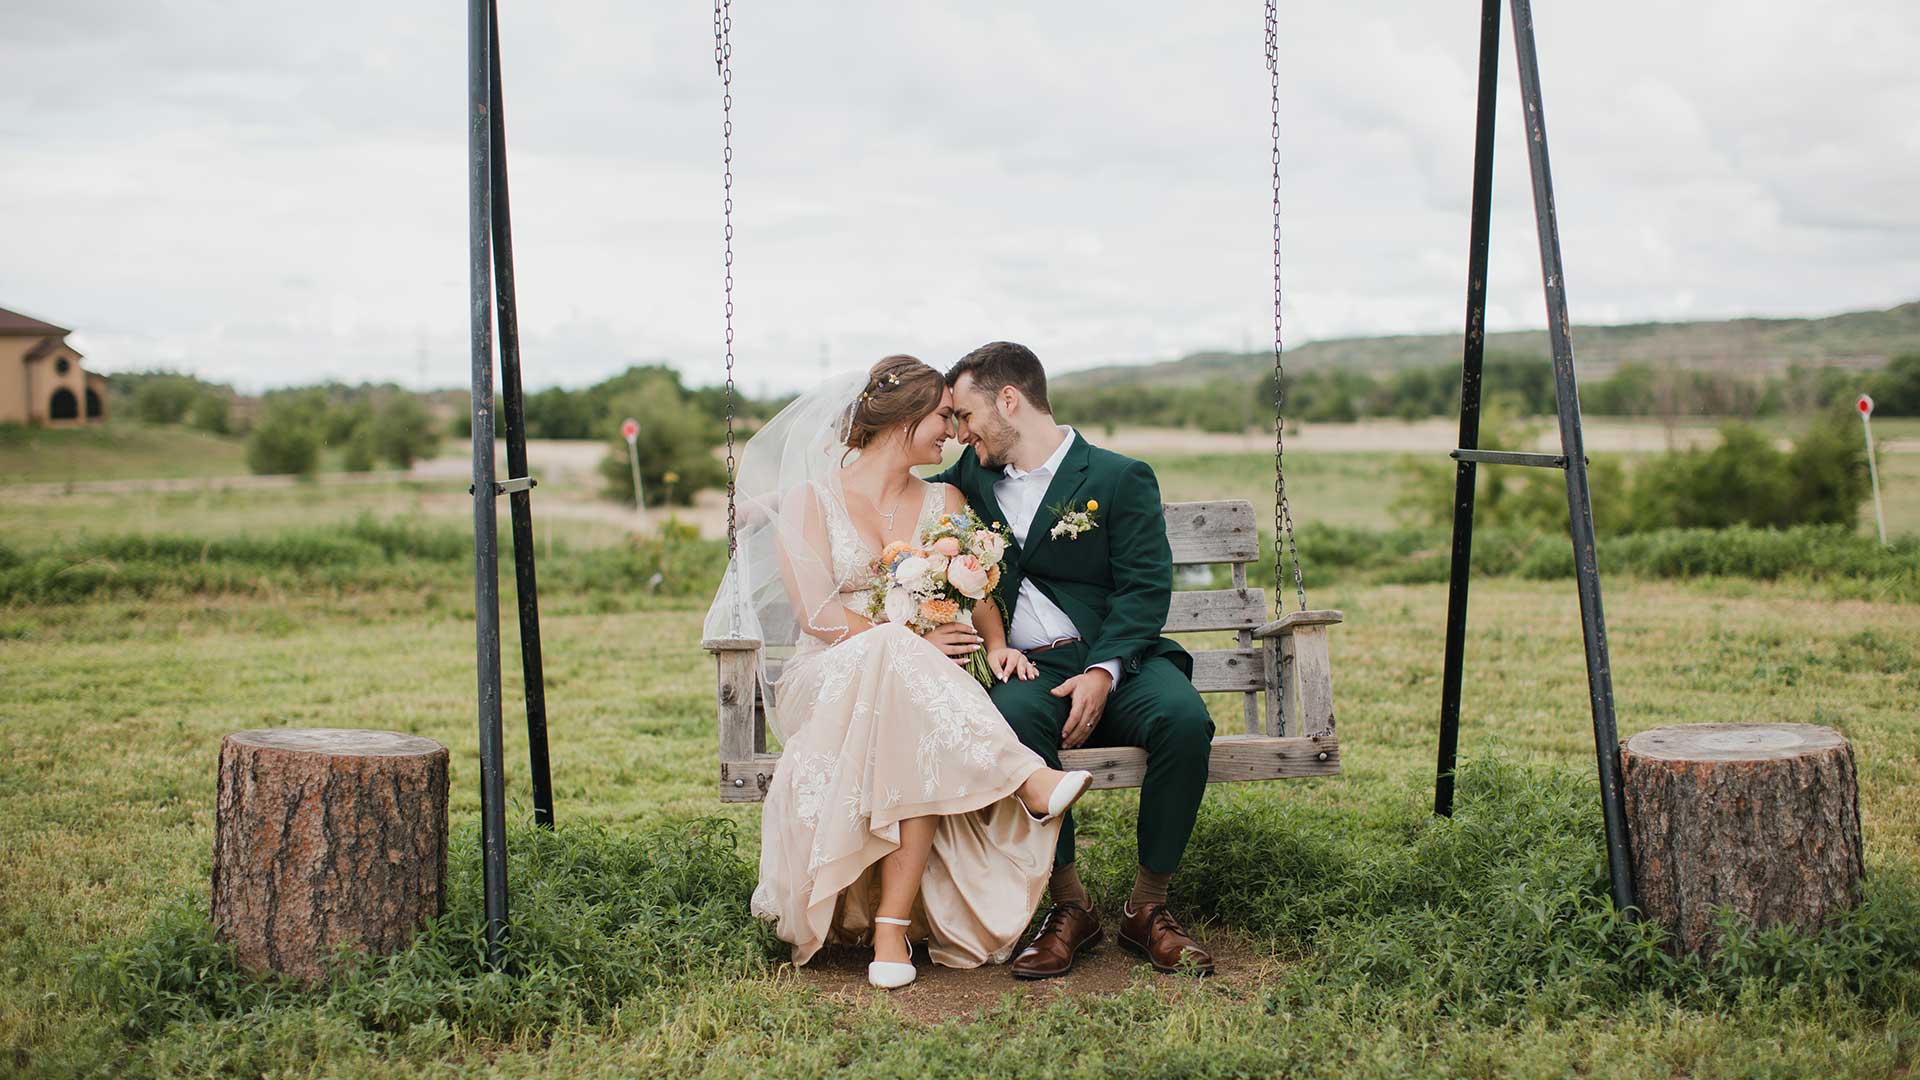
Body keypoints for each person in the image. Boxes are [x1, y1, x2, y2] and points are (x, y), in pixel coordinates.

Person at [704, 354, 1093, 990]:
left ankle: (891, 928)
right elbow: (819, 615)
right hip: (827, 677)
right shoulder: (810, 500)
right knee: (893, 656)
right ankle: (1026, 779)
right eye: (943, 415)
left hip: (912, 688)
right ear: (904, 417)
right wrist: (908, 640)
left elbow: (980, 584)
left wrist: (994, 644)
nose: (953, 431)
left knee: (906, 717)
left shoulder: (945, 499)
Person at [931, 341, 1218, 979]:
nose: (961, 434)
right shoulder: (969, 479)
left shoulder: (1119, 476)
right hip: (1027, 667)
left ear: (1009, 400)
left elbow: (1145, 588)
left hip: (1120, 662)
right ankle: (1071, 908)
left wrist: (1102, 671)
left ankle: (1149, 908)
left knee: (1184, 721)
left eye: (968, 416)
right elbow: (892, 488)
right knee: (1012, 719)